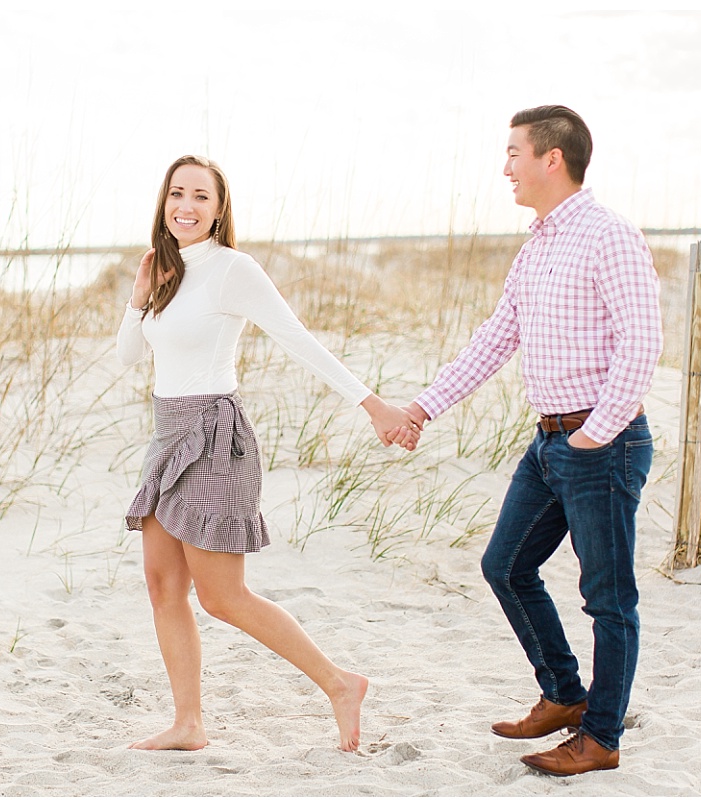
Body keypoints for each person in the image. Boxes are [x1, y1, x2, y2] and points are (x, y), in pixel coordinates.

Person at [116, 155, 419, 753]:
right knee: (162, 586)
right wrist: (138, 298)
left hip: (212, 439)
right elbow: (129, 355)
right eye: (177, 194)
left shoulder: (233, 269)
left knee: (223, 597)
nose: (186, 206)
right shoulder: (167, 272)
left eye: (201, 196)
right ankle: (189, 723)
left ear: (220, 208)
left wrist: (374, 406)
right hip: (167, 435)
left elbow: (297, 339)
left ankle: (340, 685)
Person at [394, 106, 662, 776]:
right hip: (549, 443)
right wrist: (423, 407)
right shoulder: (538, 243)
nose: (504, 166)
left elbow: (642, 342)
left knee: (608, 597)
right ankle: (565, 693)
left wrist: (595, 435)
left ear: (552, 158)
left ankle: (600, 737)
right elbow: (495, 338)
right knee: (505, 566)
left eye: (514, 152)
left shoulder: (609, 236)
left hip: (601, 442)